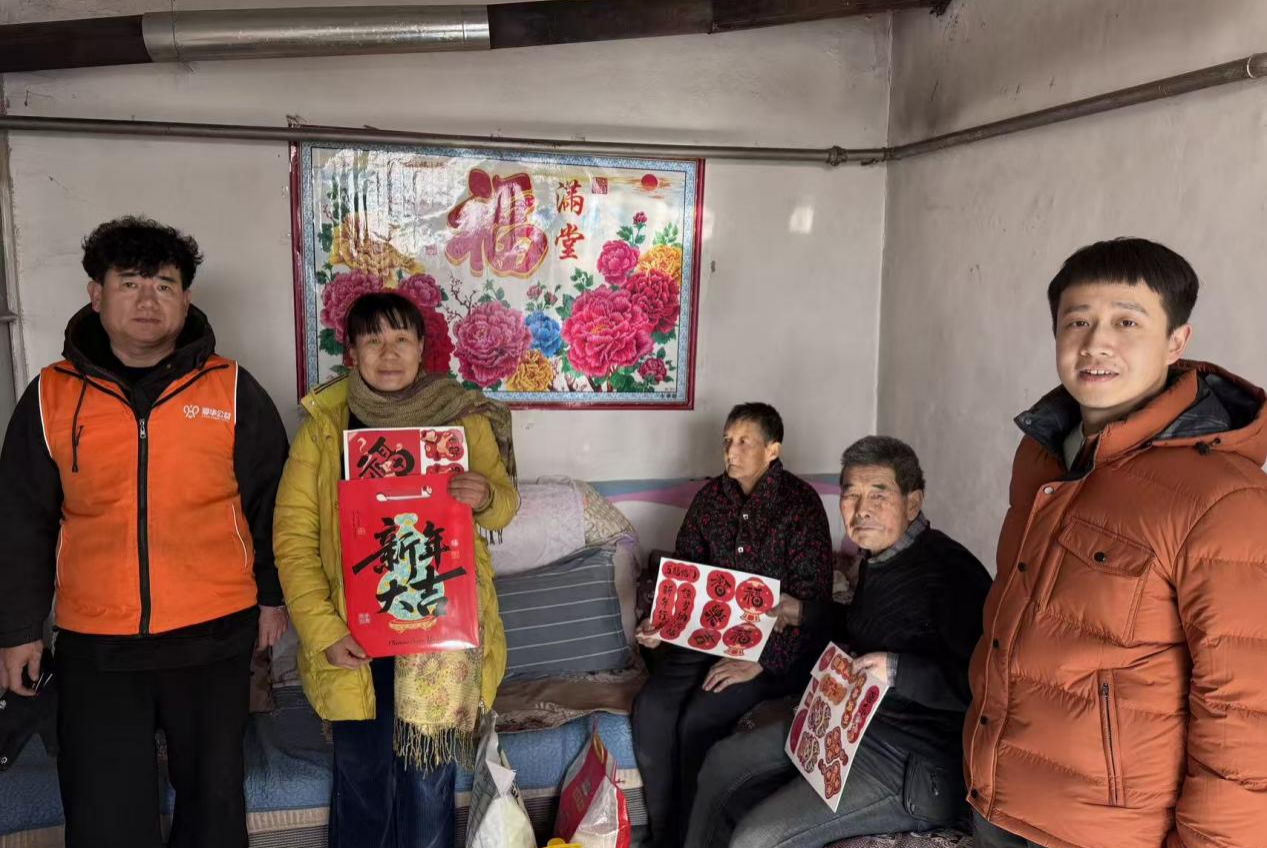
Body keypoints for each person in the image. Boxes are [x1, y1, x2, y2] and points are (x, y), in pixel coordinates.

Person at [967, 238, 1267, 848]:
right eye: (1077, 322)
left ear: (1176, 341)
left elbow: (1246, 713)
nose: (1096, 343)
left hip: (1106, 833)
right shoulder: (1042, 457)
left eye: (1127, 322)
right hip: (995, 797)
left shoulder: (1223, 498)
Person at [0, 216, 289, 848]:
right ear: (96, 295)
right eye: (129, 283)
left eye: (164, 284)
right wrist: (19, 630)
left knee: (213, 809)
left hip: (214, 635)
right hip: (97, 644)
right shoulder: (51, 396)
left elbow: (274, 504)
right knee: (104, 814)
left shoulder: (232, 390)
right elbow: (21, 521)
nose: (148, 299)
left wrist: (273, 596)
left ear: (186, 299)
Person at [274, 291, 519, 848]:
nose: (389, 353)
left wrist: (484, 495)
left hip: (439, 636)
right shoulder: (325, 427)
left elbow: (503, 507)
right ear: (352, 353)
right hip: (355, 636)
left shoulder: (461, 417)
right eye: (373, 340)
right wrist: (323, 631)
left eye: (401, 339)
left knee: (428, 780)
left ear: (421, 347)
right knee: (363, 777)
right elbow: (293, 539)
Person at [684, 436, 990, 848]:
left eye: (878, 494)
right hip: (850, 725)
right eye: (850, 495)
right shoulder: (880, 558)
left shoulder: (950, 571)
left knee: (755, 839)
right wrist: (804, 612)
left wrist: (898, 670)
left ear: (913, 503)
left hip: (915, 762)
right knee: (722, 762)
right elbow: (876, 627)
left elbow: (987, 683)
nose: (861, 509)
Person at [631, 402, 833, 848]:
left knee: (700, 718)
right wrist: (661, 623)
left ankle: (694, 839)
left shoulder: (800, 505)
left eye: (744, 441)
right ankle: (665, 836)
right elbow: (686, 575)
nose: (731, 451)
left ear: (773, 449)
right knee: (652, 709)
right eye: (727, 441)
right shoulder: (711, 499)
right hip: (705, 636)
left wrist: (762, 661)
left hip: (771, 646)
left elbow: (812, 603)